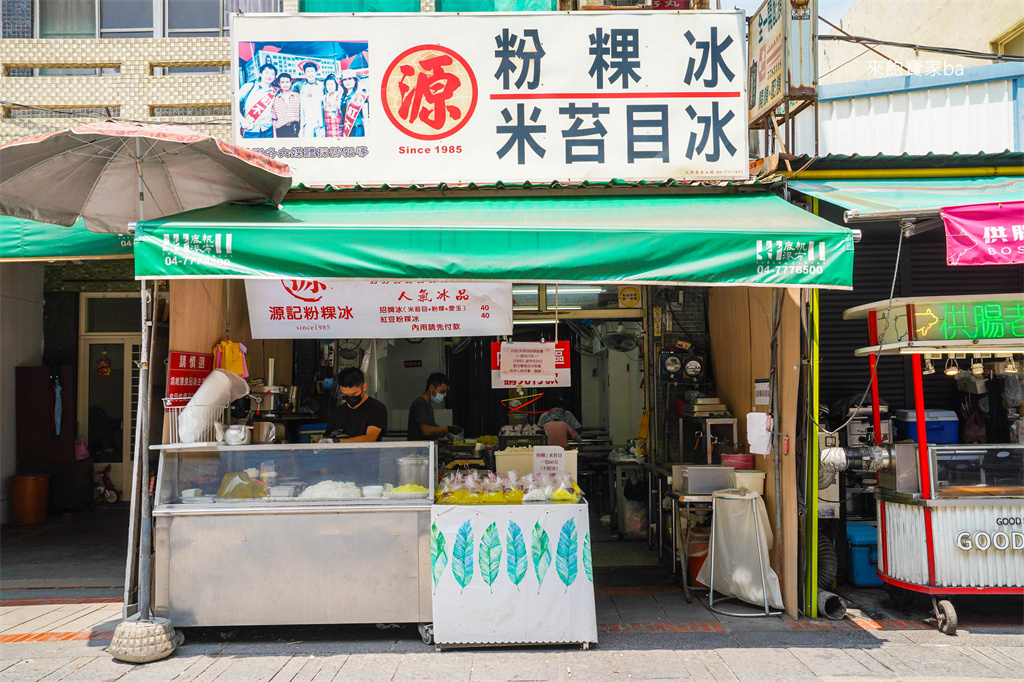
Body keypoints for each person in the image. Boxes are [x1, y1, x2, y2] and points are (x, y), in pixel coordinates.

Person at [322, 367, 388, 443]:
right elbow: (327, 437)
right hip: (341, 454)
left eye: (354, 394)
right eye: (345, 394)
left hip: (366, 455)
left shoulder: (377, 408)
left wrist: (338, 441)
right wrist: (327, 440)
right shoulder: (337, 412)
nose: (350, 398)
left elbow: (370, 438)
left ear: (364, 387)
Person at [407, 372, 462, 442]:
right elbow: (426, 430)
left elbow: (431, 424)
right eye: (441, 392)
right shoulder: (420, 404)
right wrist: (448, 429)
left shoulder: (427, 404)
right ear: (431, 388)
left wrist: (446, 433)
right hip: (419, 451)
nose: (442, 395)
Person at [238, 61, 278, 138]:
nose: (269, 76)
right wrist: (242, 120)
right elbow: (233, 104)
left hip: (268, 130)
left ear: (275, 77)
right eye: (266, 72)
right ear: (260, 73)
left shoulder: (275, 92)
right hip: (250, 130)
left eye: (272, 74)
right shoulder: (248, 87)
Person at [297, 60, 325, 137]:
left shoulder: (322, 86)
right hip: (308, 123)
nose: (310, 74)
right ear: (304, 74)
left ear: (316, 72)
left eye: (312, 71)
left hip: (321, 122)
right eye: (308, 71)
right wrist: (301, 127)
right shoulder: (300, 86)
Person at [338, 70, 367, 137]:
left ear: (354, 81)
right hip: (346, 130)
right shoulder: (342, 96)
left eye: (350, 79)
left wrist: (367, 133)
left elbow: (365, 117)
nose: (347, 81)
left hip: (357, 130)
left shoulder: (360, 96)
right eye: (345, 79)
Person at [270, 73, 300, 138]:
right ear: (279, 84)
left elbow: (301, 115)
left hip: (295, 128)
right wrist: (275, 136)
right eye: (282, 82)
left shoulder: (297, 96)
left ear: (291, 82)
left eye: (287, 82)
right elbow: (274, 119)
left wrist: (301, 131)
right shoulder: (276, 99)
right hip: (281, 130)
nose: (285, 84)